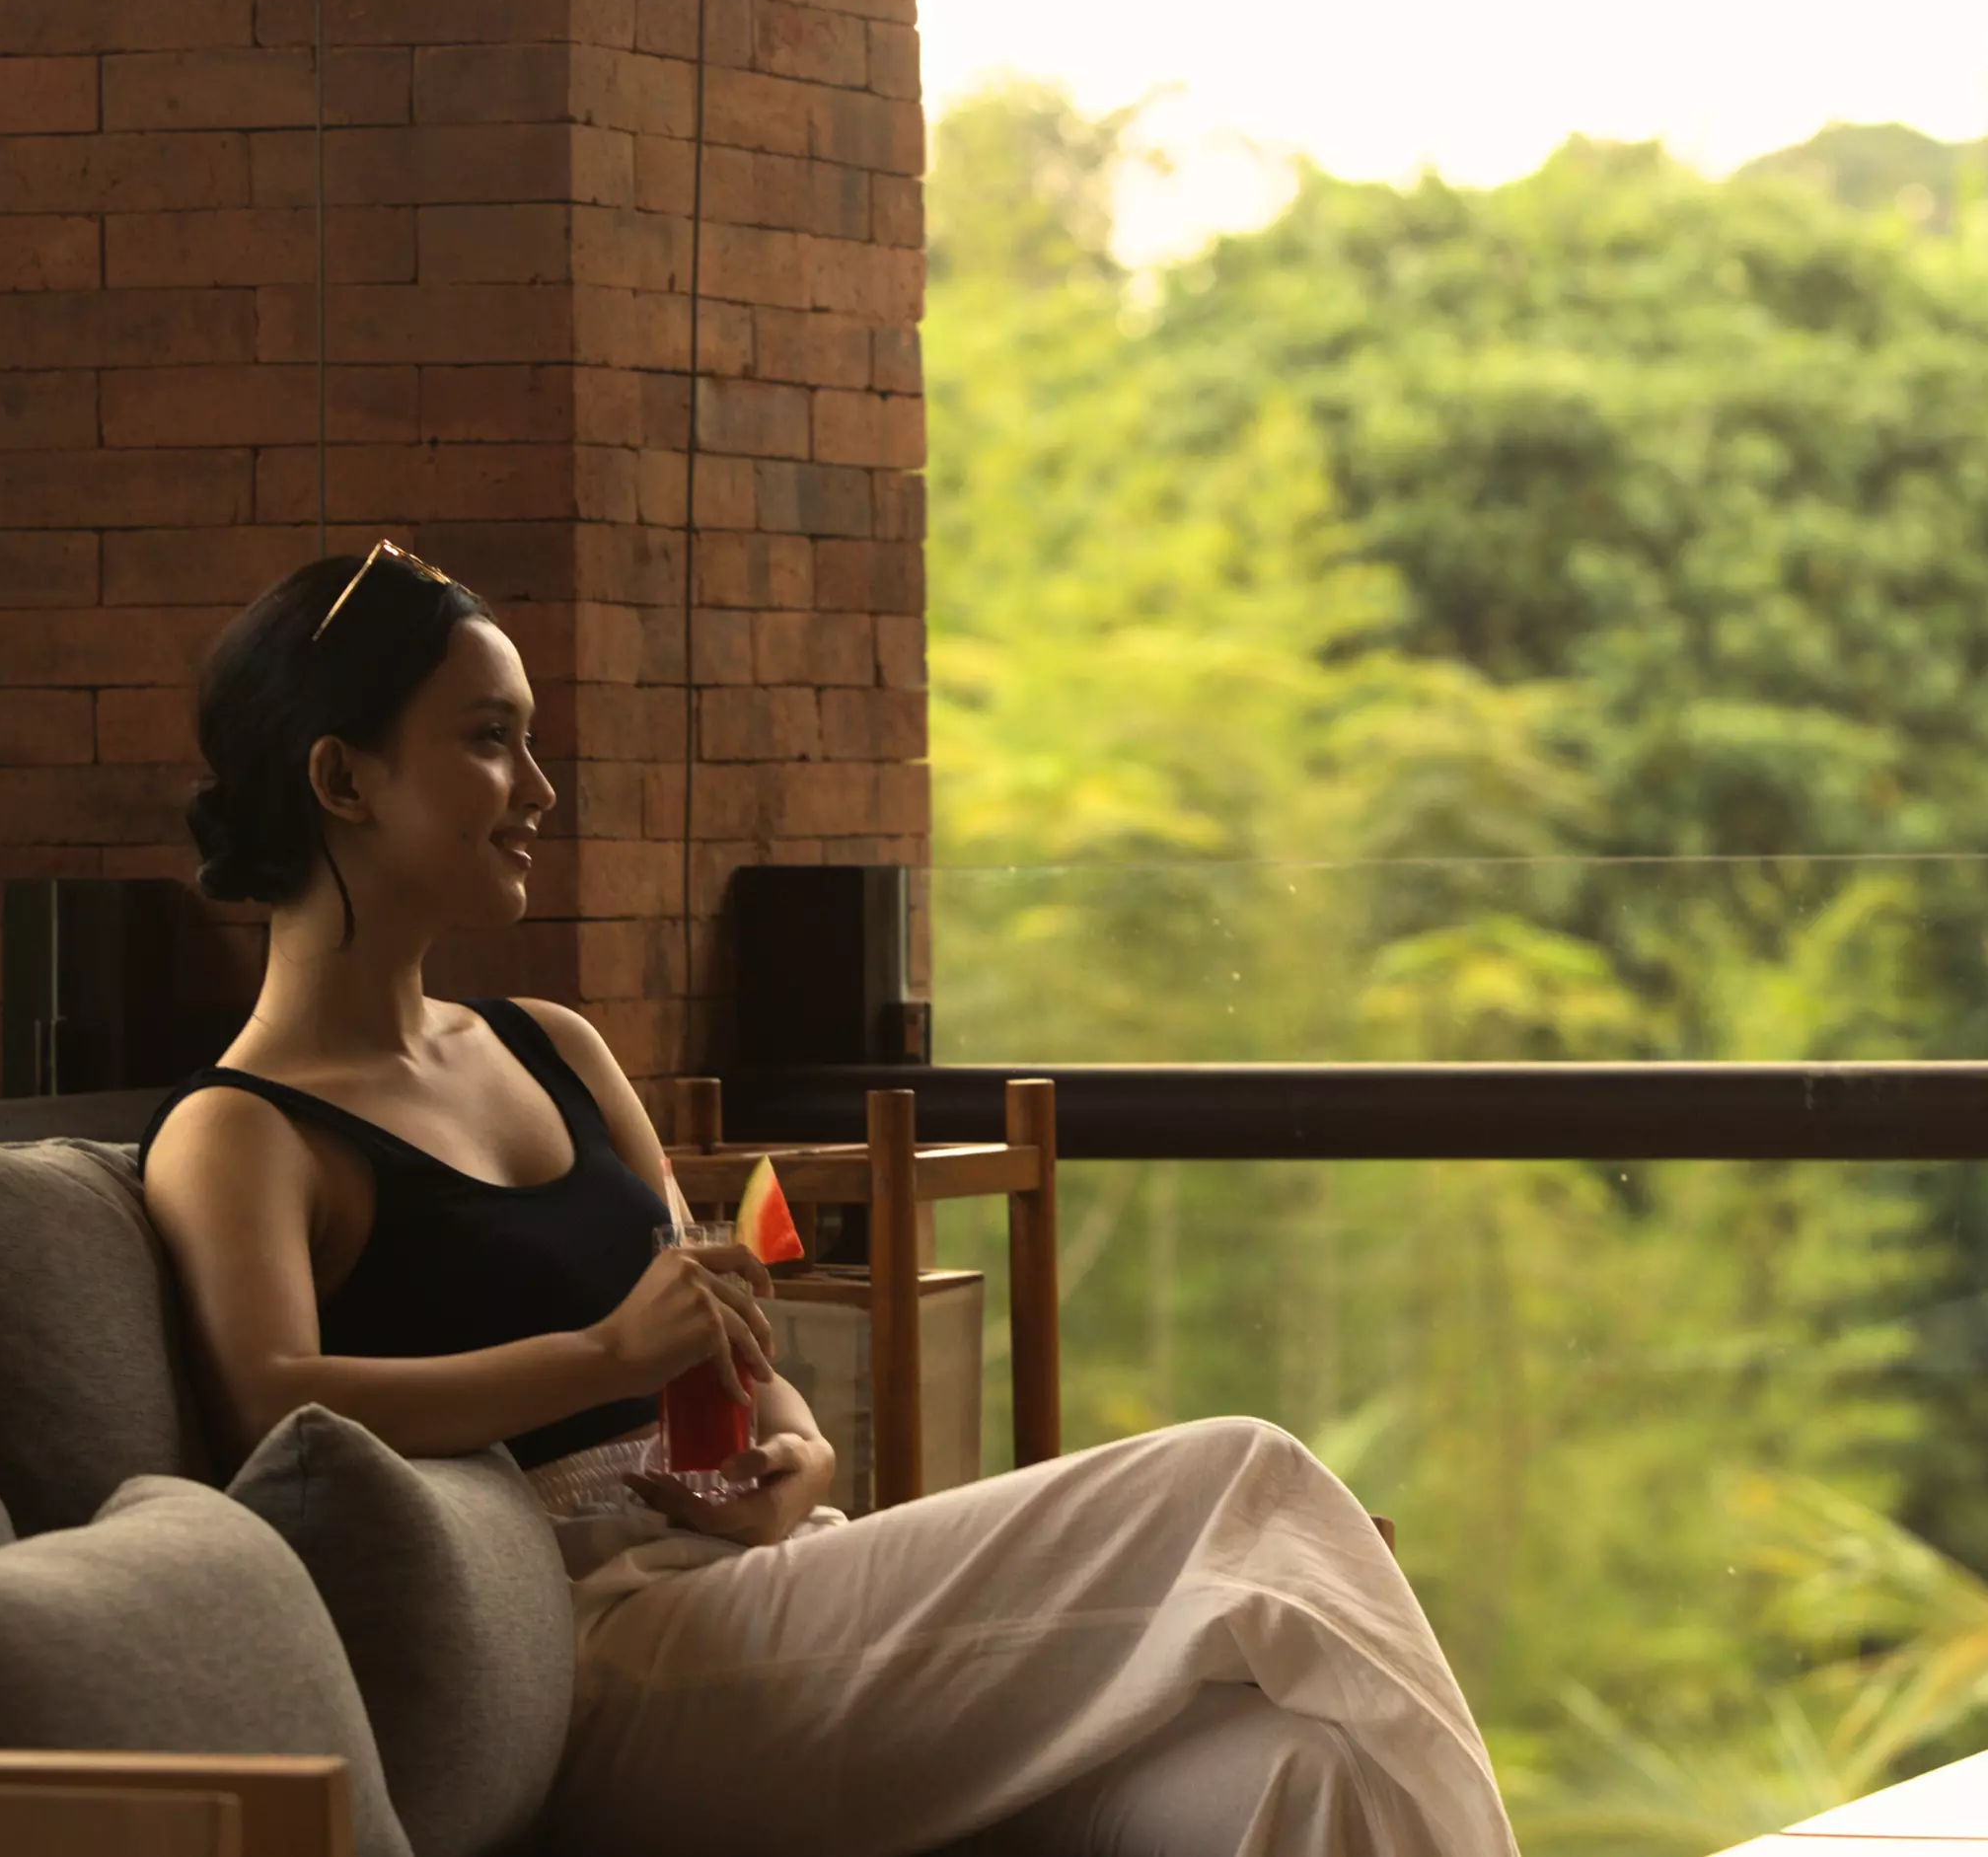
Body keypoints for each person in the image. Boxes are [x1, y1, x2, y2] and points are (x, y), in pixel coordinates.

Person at [138, 545, 1520, 1857]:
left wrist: (796, 1451)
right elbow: (274, 1408)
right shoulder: (240, 1131)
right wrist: (605, 1355)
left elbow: (734, 1347)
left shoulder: (553, 1048)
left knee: (1301, 1771)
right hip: (588, 1653)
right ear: (343, 778)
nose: (542, 790)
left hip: (766, 1578)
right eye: (492, 738)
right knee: (1244, 1485)